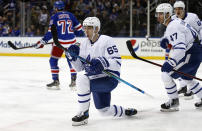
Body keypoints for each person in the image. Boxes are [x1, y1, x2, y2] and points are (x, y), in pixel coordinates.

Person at [66, 17, 137, 126]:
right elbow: (80, 68)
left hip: (109, 79)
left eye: (89, 28)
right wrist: (73, 58)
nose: (86, 31)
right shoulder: (84, 43)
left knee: (81, 79)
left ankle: (83, 113)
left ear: (97, 29)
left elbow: (117, 62)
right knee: (104, 110)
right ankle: (125, 111)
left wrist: (103, 62)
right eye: (85, 28)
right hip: (95, 78)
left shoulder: (106, 40)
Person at [156, 3, 202, 112]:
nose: (158, 16)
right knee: (188, 78)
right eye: (157, 14)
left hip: (191, 53)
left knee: (166, 74)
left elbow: (180, 48)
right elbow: (181, 38)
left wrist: (171, 62)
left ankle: (174, 102)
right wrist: (167, 40)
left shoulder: (173, 25)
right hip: (195, 51)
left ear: (167, 14)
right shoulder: (175, 22)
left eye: (160, 14)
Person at [36, 1, 83, 90]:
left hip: (59, 43)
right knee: (72, 61)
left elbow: (50, 33)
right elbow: (80, 31)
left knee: (53, 60)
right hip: (71, 42)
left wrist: (41, 42)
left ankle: (56, 81)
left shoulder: (54, 17)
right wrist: (71, 33)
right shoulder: (71, 15)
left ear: (56, 8)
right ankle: (74, 81)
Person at [171, 0, 202, 99]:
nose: (178, 11)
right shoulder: (173, 18)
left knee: (189, 68)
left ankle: (190, 89)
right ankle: (183, 87)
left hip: (194, 47)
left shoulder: (192, 17)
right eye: (176, 9)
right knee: (180, 66)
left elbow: (200, 29)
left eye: (180, 9)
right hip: (182, 47)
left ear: (184, 9)